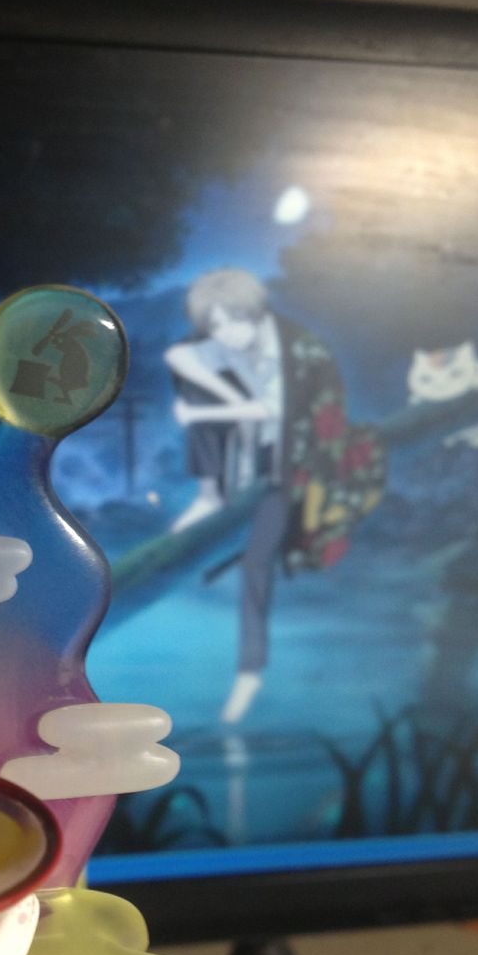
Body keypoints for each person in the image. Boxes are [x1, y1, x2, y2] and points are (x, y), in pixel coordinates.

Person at [165, 268, 348, 724]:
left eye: (231, 323)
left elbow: (274, 412)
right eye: (215, 328)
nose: (224, 336)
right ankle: (209, 493)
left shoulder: (301, 352)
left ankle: (250, 672)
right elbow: (178, 356)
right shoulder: (221, 342)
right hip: (245, 457)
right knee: (196, 381)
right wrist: (222, 395)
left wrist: (207, 411)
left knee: (255, 564)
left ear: (255, 311)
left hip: (293, 467)